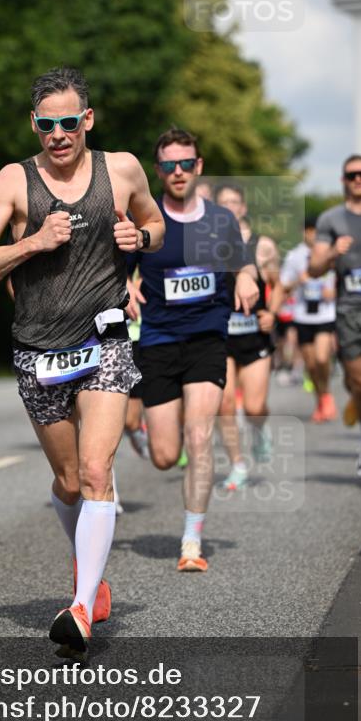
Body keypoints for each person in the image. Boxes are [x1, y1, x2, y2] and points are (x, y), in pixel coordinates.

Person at [0, 66, 164, 656]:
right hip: (38, 349)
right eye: (47, 124)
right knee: (71, 480)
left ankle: (79, 607)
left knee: (98, 470)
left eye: (69, 122)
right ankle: (92, 572)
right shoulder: (12, 180)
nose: (59, 134)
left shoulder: (122, 168)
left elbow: (155, 222)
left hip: (104, 337)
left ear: (88, 120)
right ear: (35, 124)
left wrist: (143, 240)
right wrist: (32, 242)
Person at [131, 129, 259, 569]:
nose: (178, 172)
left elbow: (242, 262)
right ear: (158, 170)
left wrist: (244, 276)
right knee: (166, 456)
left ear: (199, 166)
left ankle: (191, 542)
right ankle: (150, 430)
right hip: (159, 340)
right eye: (169, 165)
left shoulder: (221, 220)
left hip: (207, 337)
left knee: (200, 436)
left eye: (186, 164)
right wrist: (124, 289)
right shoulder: (145, 221)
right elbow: (116, 270)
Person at [309, 155, 361, 485]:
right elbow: (314, 268)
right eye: (352, 175)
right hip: (349, 311)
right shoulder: (331, 219)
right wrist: (333, 252)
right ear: (343, 180)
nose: (358, 179)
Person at [213, 184, 279, 489]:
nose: (228, 208)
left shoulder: (263, 246)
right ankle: (237, 464)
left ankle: (259, 428)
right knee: (224, 404)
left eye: (233, 202)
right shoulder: (209, 244)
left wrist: (272, 313)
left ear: (243, 207)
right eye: (222, 203)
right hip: (222, 337)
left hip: (254, 337)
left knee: (253, 407)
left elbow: (277, 285)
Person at [270, 218, 337, 422]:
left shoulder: (332, 254)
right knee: (311, 364)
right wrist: (300, 280)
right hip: (303, 315)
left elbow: (343, 278)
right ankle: (321, 398)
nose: (313, 235)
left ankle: (325, 394)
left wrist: (333, 291)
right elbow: (283, 286)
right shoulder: (294, 256)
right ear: (304, 232)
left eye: (316, 231)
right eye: (309, 230)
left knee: (322, 358)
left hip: (325, 314)